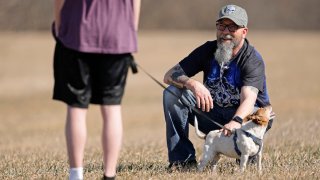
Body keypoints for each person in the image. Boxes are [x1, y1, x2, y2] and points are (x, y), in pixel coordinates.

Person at [163, 4, 274, 170]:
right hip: (212, 114)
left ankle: (247, 155)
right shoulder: (208, 49)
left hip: (245, 119)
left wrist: (236, 121)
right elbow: (170, 75)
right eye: (221, 26)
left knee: (252, 111)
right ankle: (182, 160)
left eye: (232, 27)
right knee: (172, 93)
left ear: (244, 31)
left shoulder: (252, 59)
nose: (225, 32)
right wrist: (192, 84)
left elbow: (249, 99)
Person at [52, 0, 141, 179]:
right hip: (118, 33)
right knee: (112, 107)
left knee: (76, 107)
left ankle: (76, 175)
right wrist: (130, 28)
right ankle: (109, 174)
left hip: (77, 33)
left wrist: (60, 24)